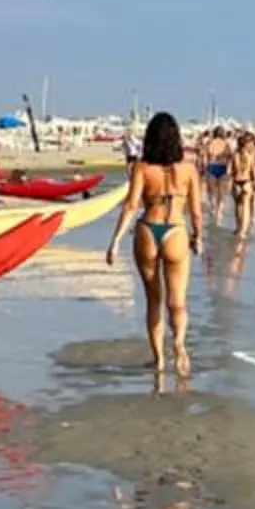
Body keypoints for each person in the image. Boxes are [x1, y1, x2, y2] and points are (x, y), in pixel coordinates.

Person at [106, 109, 202, 386]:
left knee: (154, 300)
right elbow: (196, 211)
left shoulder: (142, 168)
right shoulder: (189, 169)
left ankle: (159, 359)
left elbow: (131, 205)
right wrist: (198, 236)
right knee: (178, 301)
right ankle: (179, 344)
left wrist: (115, 241)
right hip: (176, 230)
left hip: (148, 229)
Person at [230, 126, 255, 235]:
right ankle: (243, 231)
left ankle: (238, 227)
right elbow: (254, 171)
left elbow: (229, 170)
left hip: (236, 182)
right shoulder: (250, 155)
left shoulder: (234, 155)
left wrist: (230, 181)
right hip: (247, 182)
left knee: (238, 206)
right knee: (246, 207)